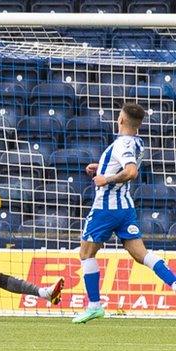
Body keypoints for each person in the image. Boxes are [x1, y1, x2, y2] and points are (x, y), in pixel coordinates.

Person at [73, 103, 176, 324]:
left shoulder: (121, 144)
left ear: (120, 120)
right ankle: (175, 283)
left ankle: (94, 306)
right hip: (125, 207)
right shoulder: (139, 142)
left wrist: (105, 178)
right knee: (142, 255)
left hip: (106, 208)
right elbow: (123, 164)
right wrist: (101, 167)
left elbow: (130, 171)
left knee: (86, 254)